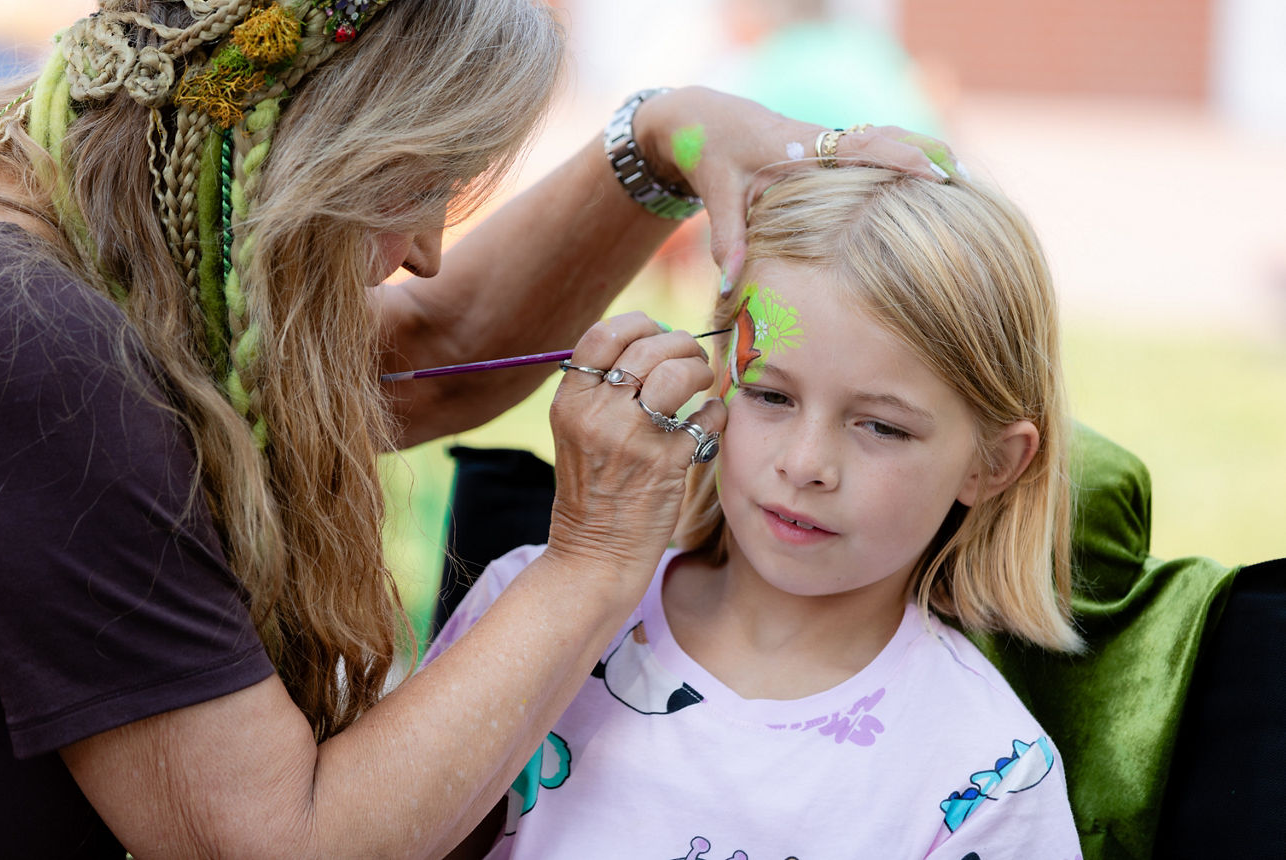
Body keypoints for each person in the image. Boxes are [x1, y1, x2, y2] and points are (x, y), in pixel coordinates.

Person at [0, 0, 954, 855]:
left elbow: (422, 349)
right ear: (301, 145)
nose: (425, 252)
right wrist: (595, 553)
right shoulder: (51, 356)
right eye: (417, 187)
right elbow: (277, 842)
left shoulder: (100, 248)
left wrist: (660, 142)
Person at [422, 166, 1085, 858]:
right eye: (770, 396)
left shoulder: (989, 776)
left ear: (992, 464)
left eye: (882, 428)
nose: (804, 464)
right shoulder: (531, 610)